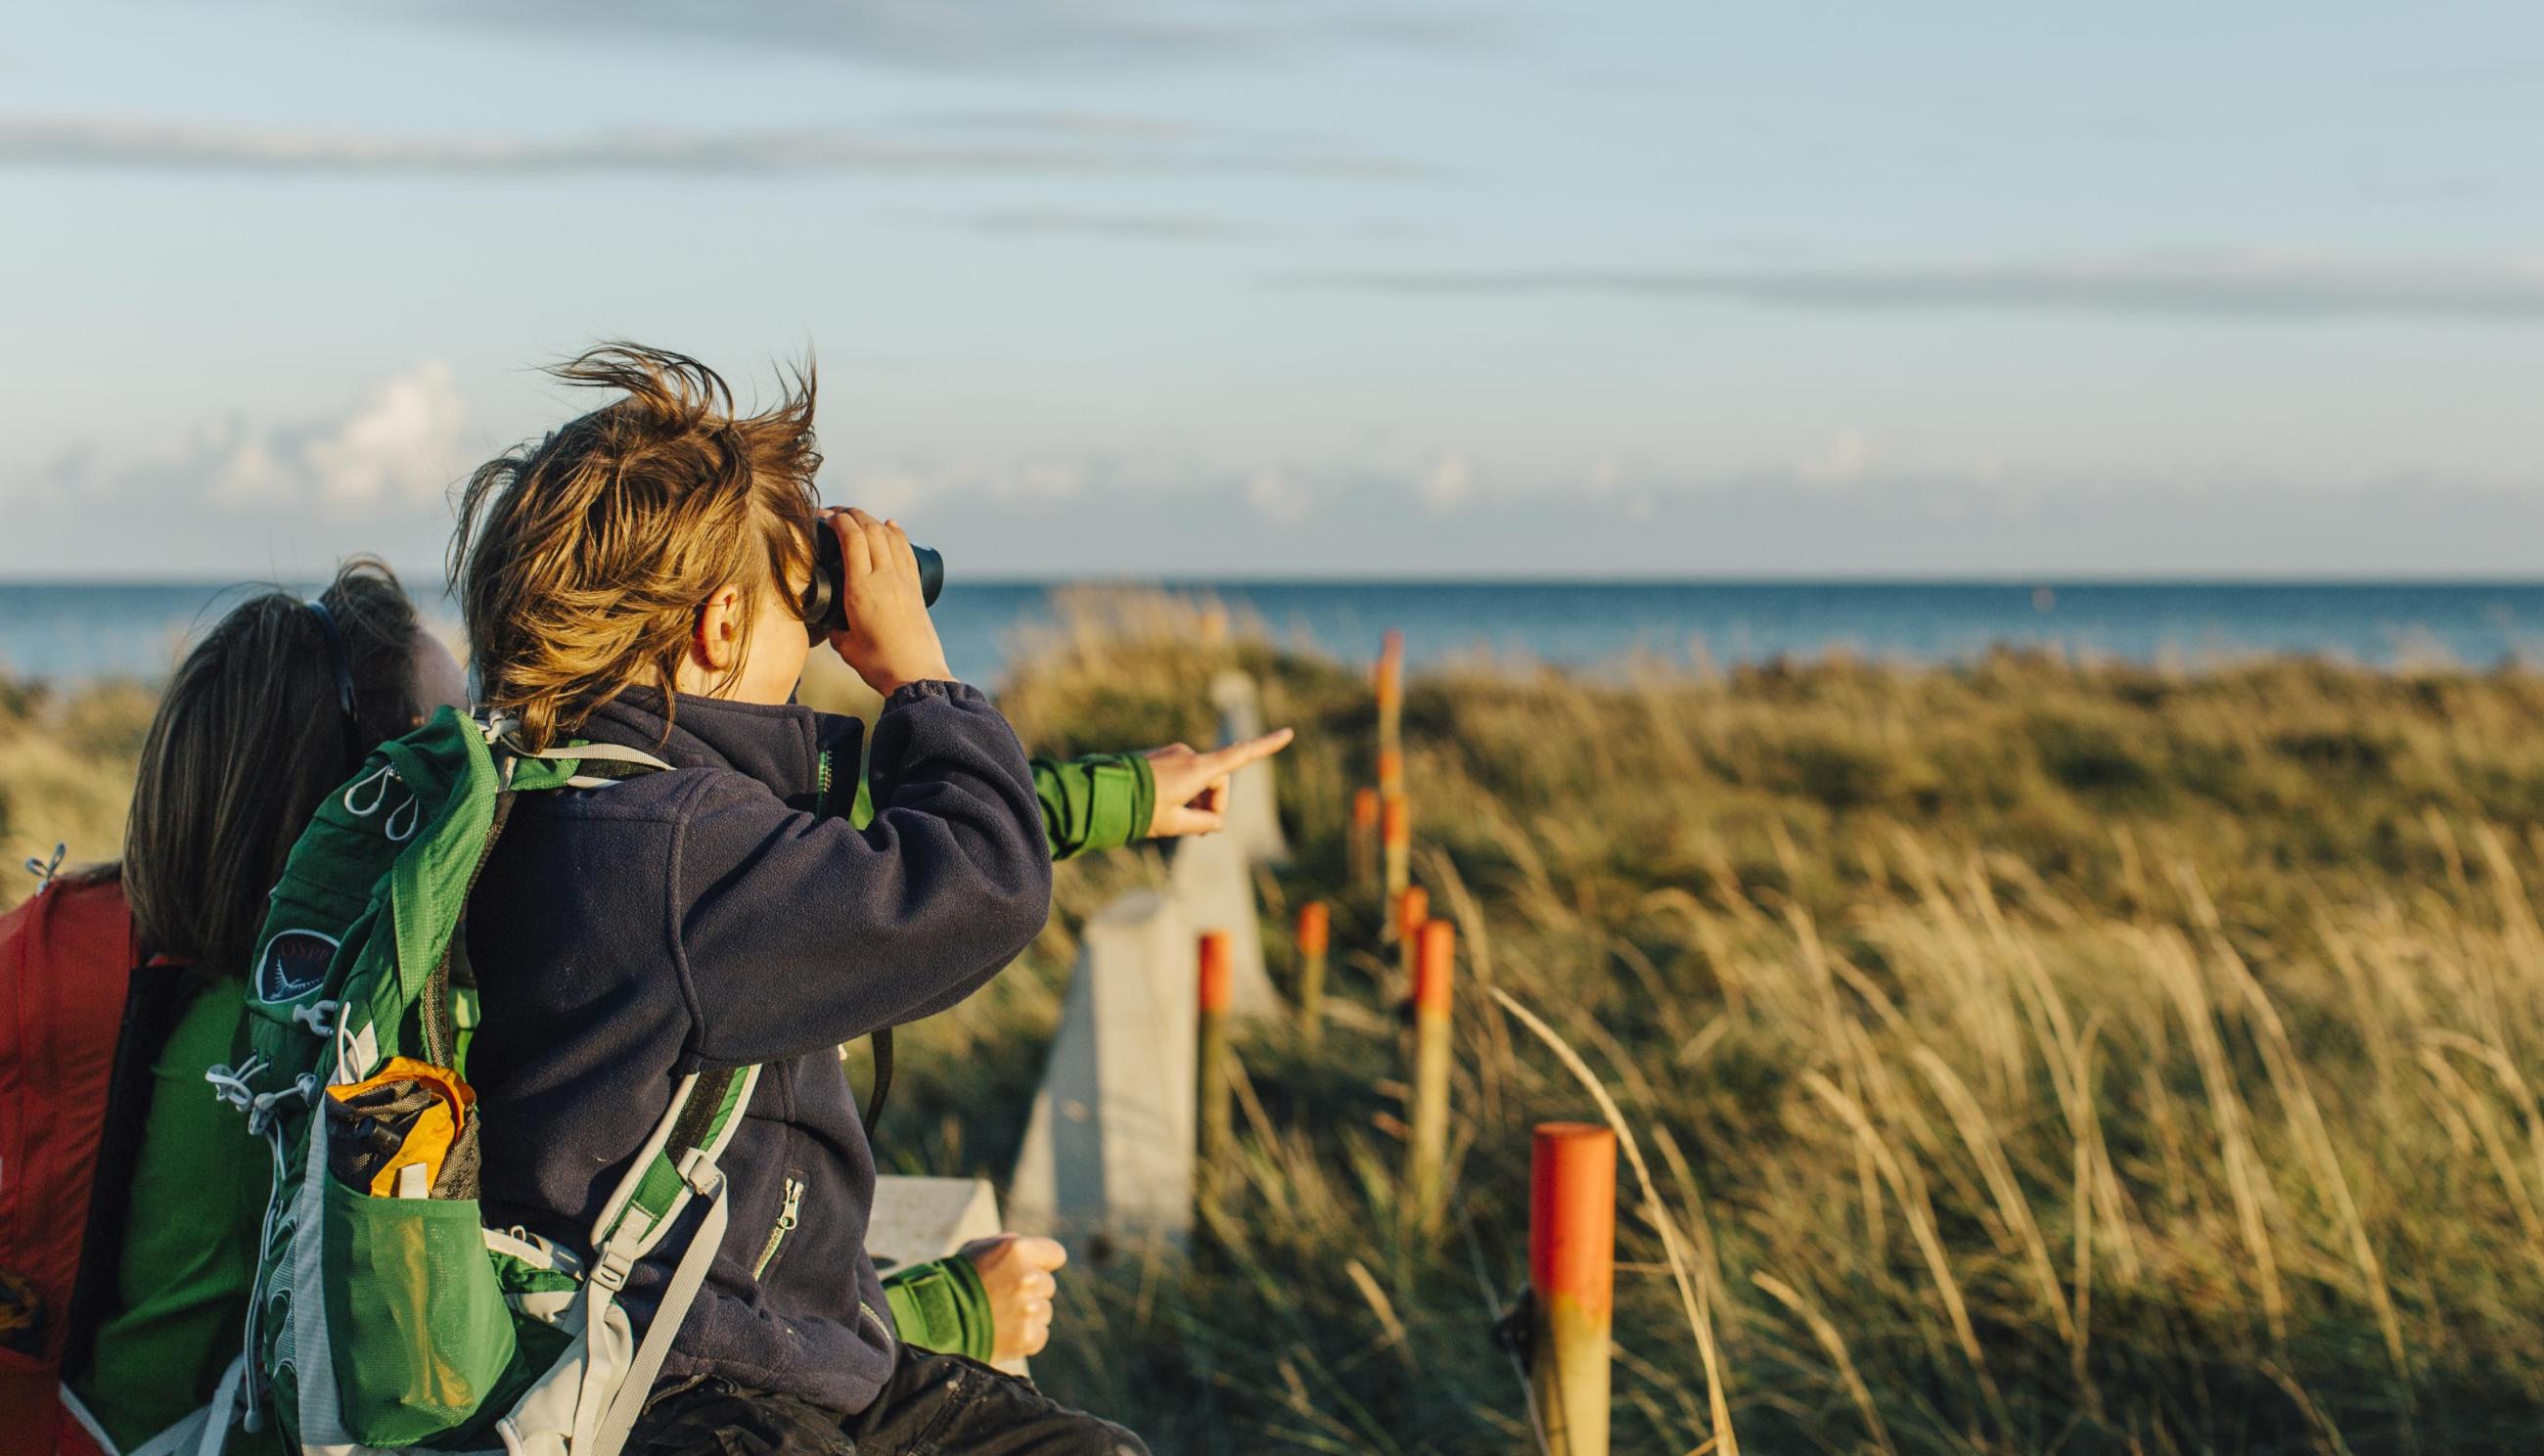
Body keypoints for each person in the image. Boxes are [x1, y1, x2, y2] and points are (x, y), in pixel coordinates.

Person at [449, 343, 1283, 1456]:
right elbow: (974, 885)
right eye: (807, 602)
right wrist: (920, 677)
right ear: (721, 628)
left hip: (717, 1345)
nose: (824, 632)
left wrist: (1117, 797)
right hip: (680, 1385)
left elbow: (849, 854)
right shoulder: (673, 850)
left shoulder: (568, 802)